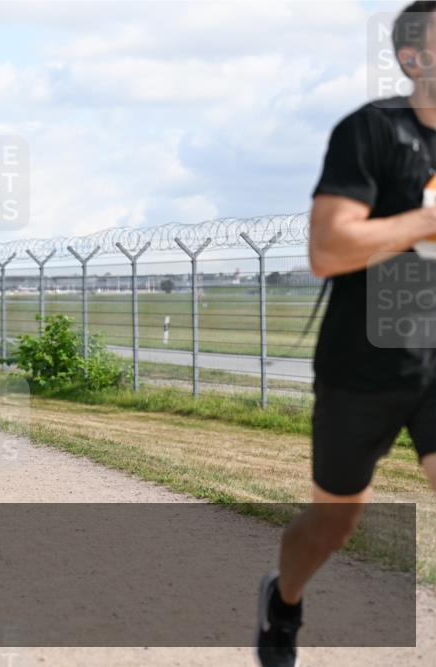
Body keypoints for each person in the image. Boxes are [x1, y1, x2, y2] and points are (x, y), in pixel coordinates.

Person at [255, 4, 436, 666]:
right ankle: (285, 599)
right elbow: (328, 248)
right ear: (415, 60)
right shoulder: (371, 132)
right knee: (333, 523)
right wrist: (422, 221)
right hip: (366, 359)